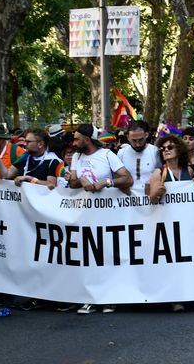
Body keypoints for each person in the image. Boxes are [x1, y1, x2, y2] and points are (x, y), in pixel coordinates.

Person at [67, 124, 133, 315]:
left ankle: (110, 298)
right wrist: (81, 180)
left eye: (77, 138)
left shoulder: (106, 155)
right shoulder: (77, 157)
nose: (74, 142)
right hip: (84, 214)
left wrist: (106, 182)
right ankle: (90, 298)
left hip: (107, 215)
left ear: (87, 140)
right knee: (88, 255)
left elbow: (127, 179)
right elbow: (72, 182)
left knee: (108, 255)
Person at [148, 135, 194, 205]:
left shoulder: (189, 170)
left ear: (179, 150)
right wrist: (157, 194)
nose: (166, 150)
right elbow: (152, 200)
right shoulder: (158, 172)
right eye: (163, 149)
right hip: (168, 214)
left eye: (170, 147)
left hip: (186, 211)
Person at [117, 121, 160, 191]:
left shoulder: (155, 152)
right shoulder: (121, 153)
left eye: (141, 140)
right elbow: (117, 176)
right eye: (134, 141)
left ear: (146, 135)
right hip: (127, 199)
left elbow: (162, 174)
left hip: (150, 198)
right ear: (128, 137)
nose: (138, 144)